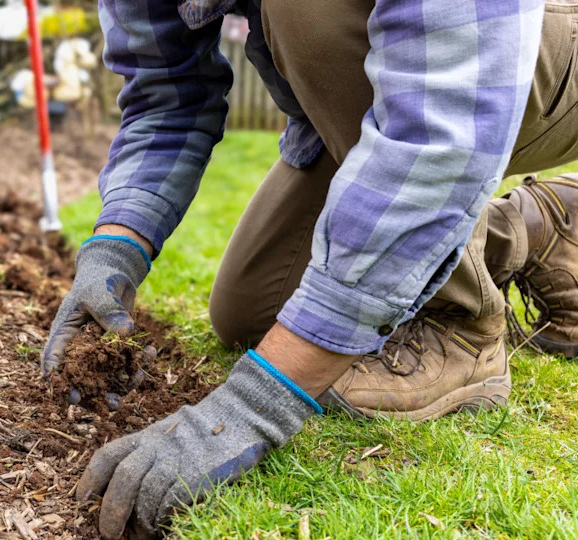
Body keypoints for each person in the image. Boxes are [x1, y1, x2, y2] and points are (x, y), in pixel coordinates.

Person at [40, 0, 578, 537]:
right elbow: (164, 98)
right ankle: (531, 228)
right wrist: (115, 250)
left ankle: (458, 324)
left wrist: (254, 404)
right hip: (387, 96)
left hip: (511, 58)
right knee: (252, 315)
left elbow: (446, 130)